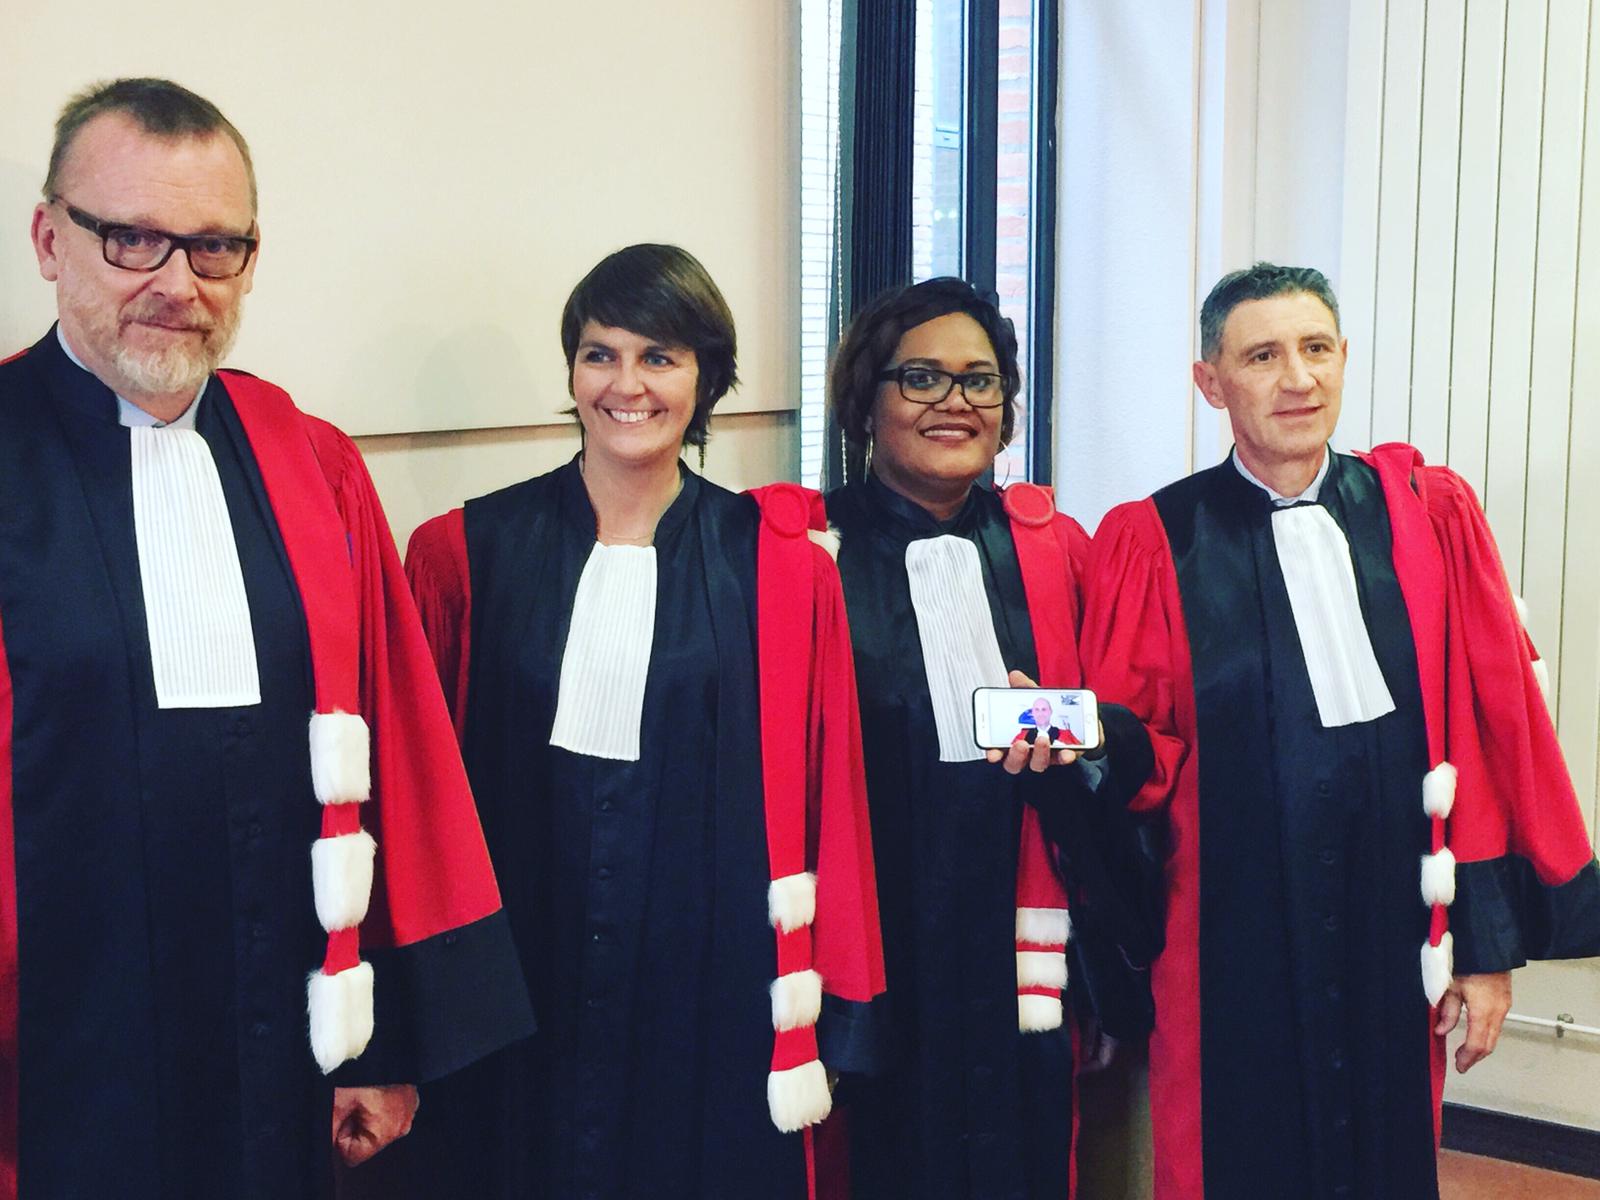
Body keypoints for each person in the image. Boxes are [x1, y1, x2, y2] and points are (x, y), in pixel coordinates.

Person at [0, 78, 533, 1199]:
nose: (176, 284)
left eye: (214, 247)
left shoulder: (312, 463)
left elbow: (402, 763)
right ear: (50, 240)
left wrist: (381, 1038)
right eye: (131, 239)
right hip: (55, 1051)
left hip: (276, 1043)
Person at [1081, 262, 1600, 1199]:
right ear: (1210, 382)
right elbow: (1142, 756)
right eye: (1262, 357)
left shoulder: (1426, 517)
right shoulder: (1156, 540)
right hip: (1226, 935)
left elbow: (1482, 741)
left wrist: (1484, 955)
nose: (1298, 379)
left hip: (1391, 926)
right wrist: (1084, 738)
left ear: (1344, 358)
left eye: (1316, 349)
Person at [402, 243, 886, 1199]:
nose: (626, 385)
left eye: (659, 357)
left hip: (707, 974)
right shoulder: (462, 552)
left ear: (706, 378)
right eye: (601, 354)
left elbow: (832, 795)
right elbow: (422, 799)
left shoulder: (783, 570)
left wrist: (841, 1000)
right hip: (517, 969)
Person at [821, 277, 1161, 1199]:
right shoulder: (809, 557)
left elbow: (1136, 734)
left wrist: (1079, 735)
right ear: (865, 400)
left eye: (980, 381)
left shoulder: (1059, 548)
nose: (955, 402)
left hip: (1024, 932)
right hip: (880, 934)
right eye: (920, 378)